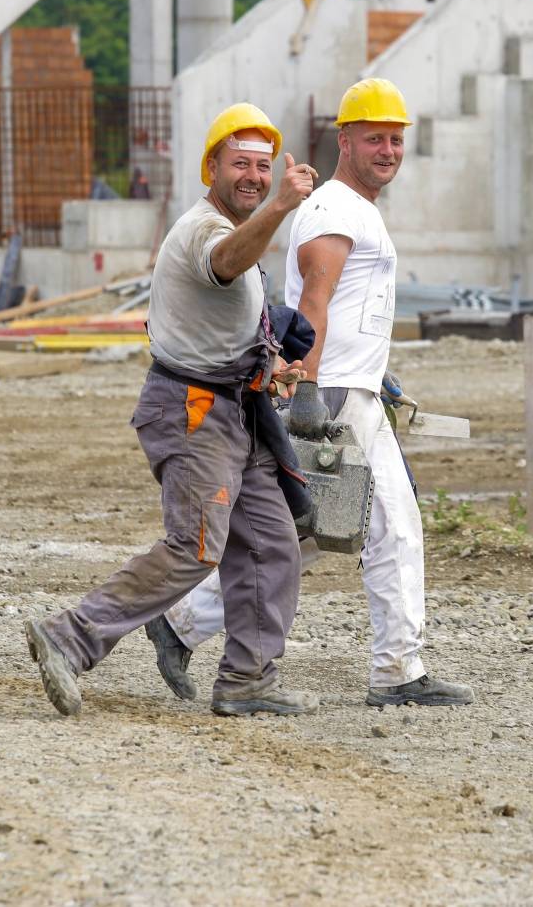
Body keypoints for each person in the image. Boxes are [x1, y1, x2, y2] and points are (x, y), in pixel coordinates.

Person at [147, 79, 475, 709]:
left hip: (355, 392)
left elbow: (351, 311)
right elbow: (313, 307)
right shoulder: (332, 211)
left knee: (314, 534)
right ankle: (397, 672)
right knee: (368, 530)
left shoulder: (357, 209)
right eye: (374, 138)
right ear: (343, 140)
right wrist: (309, 391)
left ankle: (181, 624)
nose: (387, 150)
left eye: (395, 139)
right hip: (332, 400)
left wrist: (375, 376)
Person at [24, 102, 322, 718]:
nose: (254, 176)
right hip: (191, 411)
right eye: (240, 164)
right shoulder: (202, 231)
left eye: (263, 166)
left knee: (271, 541)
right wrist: (281, 207)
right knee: (195, 547)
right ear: (210, 168)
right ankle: (70, 635)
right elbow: (226, 262)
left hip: (238, 408)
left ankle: (248, 679)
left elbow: (235, 299)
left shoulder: (240, 227)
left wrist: (274, 356)